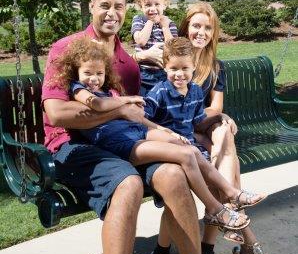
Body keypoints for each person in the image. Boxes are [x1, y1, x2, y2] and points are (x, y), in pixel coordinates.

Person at [42, 0, 204, 254]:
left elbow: (134, 118)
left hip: (119, 143)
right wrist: (117, 110)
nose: (111, 13)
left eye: (119, 6)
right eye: (104, 5)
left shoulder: (128, 64)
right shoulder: (66, 49)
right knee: (127, 184)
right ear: (91, 7)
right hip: (71, 147)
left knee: (174, 174)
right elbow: (58, 113)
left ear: (126, 10)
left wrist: (206, 123)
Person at [52, 35, 258, 234]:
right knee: (185, 155)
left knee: (188, 147)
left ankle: (232, 193)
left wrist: (161, 129)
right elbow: (99, 104)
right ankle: (215, 209)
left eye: (99, 73)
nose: (94, 79)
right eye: (88, 73)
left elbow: (138, 118)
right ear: (76, 71)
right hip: (120, 144)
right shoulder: (78, 89)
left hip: (136, 131)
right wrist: (128, 100)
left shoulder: (108, 91)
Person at [149, 2, 282, 254]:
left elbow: (213, 108)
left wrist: (217, 119)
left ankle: (214, 239)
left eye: (208, 27)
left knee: (224, 134)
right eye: (196, 25)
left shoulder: (215, 67)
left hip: (204, 135)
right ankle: (245, 241)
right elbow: (170, 114)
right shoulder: (171, 62)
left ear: (214, 33)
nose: (201, 32)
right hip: (181, 135)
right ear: (185, 27)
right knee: (216, 153)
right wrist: (212, 121)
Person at [131, 0, 178, 95]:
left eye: (157, 4)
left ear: (165, 5)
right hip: (143, 72)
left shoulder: (169, 23)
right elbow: (141, 41)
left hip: (163, 73)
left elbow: (173, 48)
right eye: (148, 5)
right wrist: (151, 21)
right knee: (145, 103)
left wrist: (165, 27)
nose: (152, 8)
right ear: (140, 6)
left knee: (163, 101)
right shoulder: (139, 20)